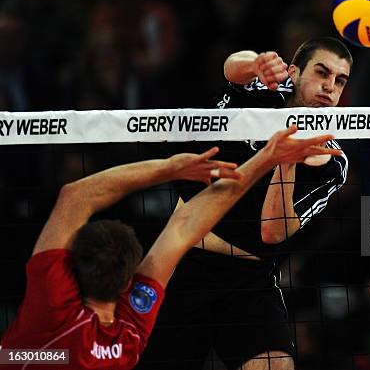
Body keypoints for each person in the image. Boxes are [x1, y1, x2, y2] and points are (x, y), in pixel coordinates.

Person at [0, 127, 340, 370]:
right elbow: (184, 226)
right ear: (128, 281)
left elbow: (75, 196)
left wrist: (170, 167)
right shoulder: (132, 326)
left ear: (71, 267)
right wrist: (266, 158)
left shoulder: (52, 300)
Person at [141, 37, 352, 370]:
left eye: (339, 81)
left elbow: (272, 232)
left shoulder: (332, 162)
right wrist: (257, 63)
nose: (329, 87)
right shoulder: (262, 94)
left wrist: (289, 157)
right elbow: (232, 68)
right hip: (182, 263)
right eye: (321, 73)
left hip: (248, 281)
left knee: (276, 366)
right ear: (294, 73)